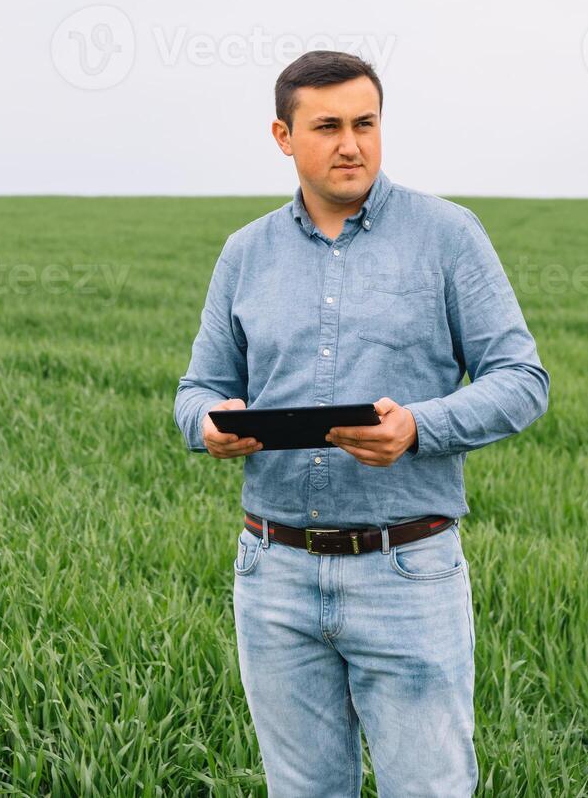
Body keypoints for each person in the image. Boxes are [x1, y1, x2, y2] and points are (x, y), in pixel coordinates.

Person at [173, 50, 550, 797]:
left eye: (366, 123)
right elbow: (200, 388)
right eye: (328, 126)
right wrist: (210, 424)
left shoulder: (447, 235)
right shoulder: (246, 253)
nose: (352, 144)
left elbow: (522, 381)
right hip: (272, 571)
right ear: (284, 136)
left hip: (406, 572)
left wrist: (419, 427)